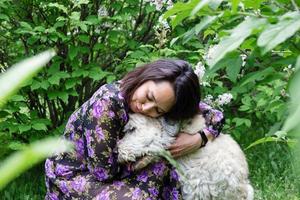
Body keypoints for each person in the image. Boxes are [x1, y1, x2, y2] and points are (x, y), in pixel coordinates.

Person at [44, 59, 225, 200]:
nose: (146, 108)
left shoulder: (167, 96)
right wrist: (147, 161)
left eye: (158, 110)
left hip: (119, 167)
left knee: (168, 175)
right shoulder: (108, 103)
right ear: (148, 76)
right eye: (148, 96)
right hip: (76, 173)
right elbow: (103, 172)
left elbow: (216, 116)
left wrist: (199, 139)